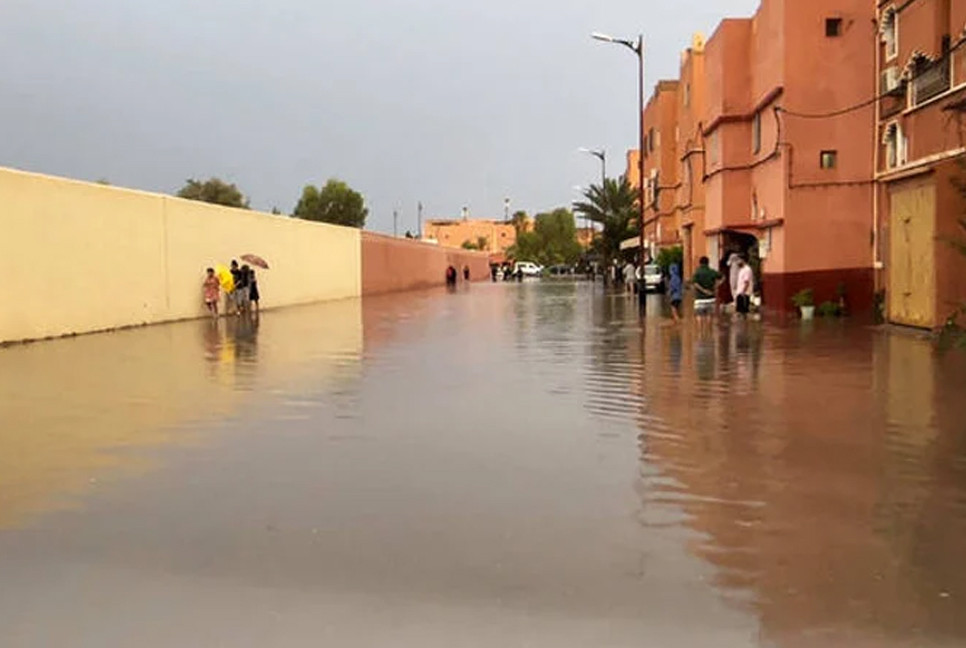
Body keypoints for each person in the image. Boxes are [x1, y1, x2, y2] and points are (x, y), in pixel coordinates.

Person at [691, 256, 721, 323]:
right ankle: (709, 332)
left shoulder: (697, 272)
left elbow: (694, 283)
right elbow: (722, 277)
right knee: (709, 316)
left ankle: (700, 333)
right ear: (708, 263)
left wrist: (703, 290)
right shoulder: (712, 272)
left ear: (700, 263)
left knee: (699, 316)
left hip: (699, 299)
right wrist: (716, 286)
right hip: (710, 298)